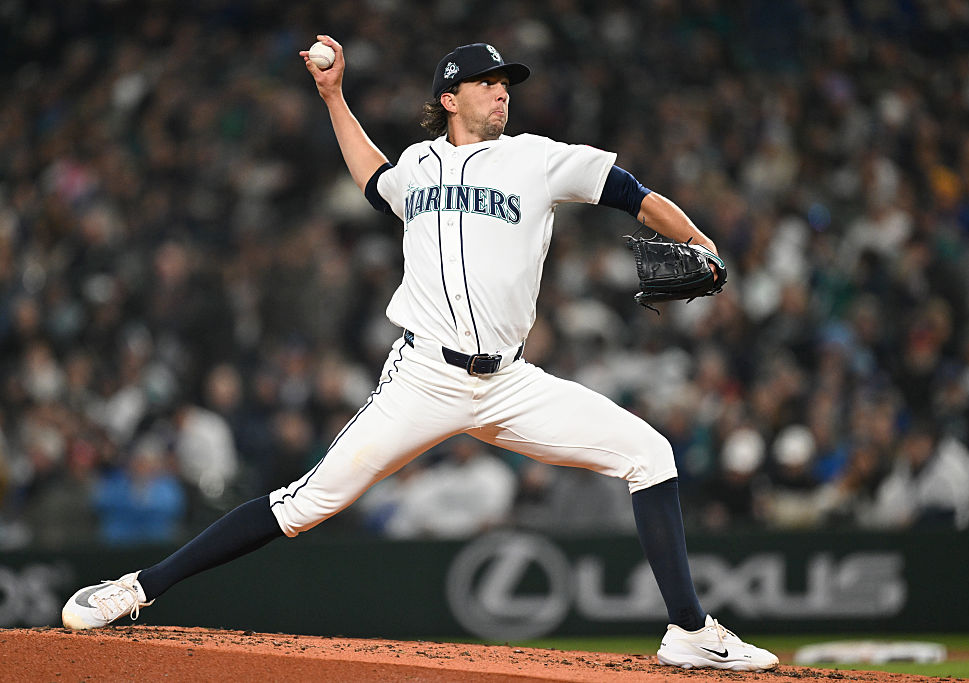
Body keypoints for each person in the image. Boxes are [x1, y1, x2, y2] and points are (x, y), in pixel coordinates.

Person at [61, 37, 778, 671]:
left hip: (510, 382)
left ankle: (689, 631)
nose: (504, 90)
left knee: (650, 452)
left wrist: (703, 244)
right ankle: (137, 588)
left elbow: (634, 193)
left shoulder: (538, 159)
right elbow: (374, 177)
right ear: (450, 95)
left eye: (508, 82)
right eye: (490, 81)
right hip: (424, 378)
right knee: (303, 504)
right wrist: (334, 96)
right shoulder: (419, 164)